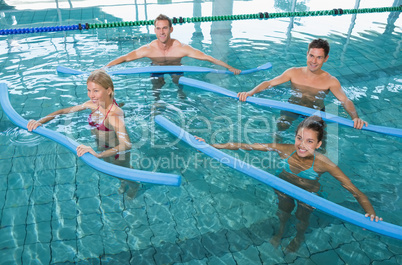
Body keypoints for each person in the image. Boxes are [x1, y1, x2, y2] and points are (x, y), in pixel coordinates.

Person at [196, 115, 381, 252]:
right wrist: (211, 146)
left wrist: (371, 214)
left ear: (318, 144)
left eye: (309, 141)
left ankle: (299, 237)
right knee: (283, 213)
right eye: (299, 138)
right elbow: (246, 145)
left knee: (302, 218)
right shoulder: (285, 150)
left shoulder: (324, 163)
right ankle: (281, 231)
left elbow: (355, 192)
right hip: (283, 187)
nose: (302, 145)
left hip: (308, 195)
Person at [27, 70, 139, 198]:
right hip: (103, 147)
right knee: (117, 173)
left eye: (96, 91)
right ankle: (125, 180)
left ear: (108, 90)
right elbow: (64, 111)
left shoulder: (114, 115)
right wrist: (39, 121)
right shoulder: (92, 104)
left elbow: (127, 144)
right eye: (89, 90)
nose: (91, 95)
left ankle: (135, 186)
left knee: (121, 174)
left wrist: (98, 155)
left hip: (117, 154)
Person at [237, 39, 368, 135]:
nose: (313, 61)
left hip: (315, 112)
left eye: (319, 58)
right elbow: (269, 83)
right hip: (293, 106)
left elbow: (345, 100)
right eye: (311, 56)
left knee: (316, 137)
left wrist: (355, 117)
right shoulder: (293, 72)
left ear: (326, 59)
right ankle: (277, 150)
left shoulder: (331, 81)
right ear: (307, 54)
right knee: (280, 127)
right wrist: (250, 92)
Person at [105, 14, 241, 100]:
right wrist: (104, 68)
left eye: (164, 28)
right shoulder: (149, 49)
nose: (161, 32)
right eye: (158, 28)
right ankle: (156, 102)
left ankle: (181, 96)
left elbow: (207, 58)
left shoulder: (181, 48)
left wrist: (230, 68)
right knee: (156, 84)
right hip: (157, 67)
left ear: (171, 29)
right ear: (155, 30)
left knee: (179, 81)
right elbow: (124, 58)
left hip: (176, 67)